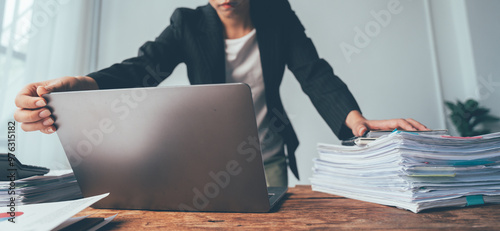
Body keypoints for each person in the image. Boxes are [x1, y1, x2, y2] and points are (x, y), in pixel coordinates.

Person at [14, 0, 428, 187]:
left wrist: (357, 121)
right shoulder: (188, 23)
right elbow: (143, 68)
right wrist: (82, 85)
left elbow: (313, 72)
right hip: (208, 163)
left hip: (270, 158)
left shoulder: (278, 13)